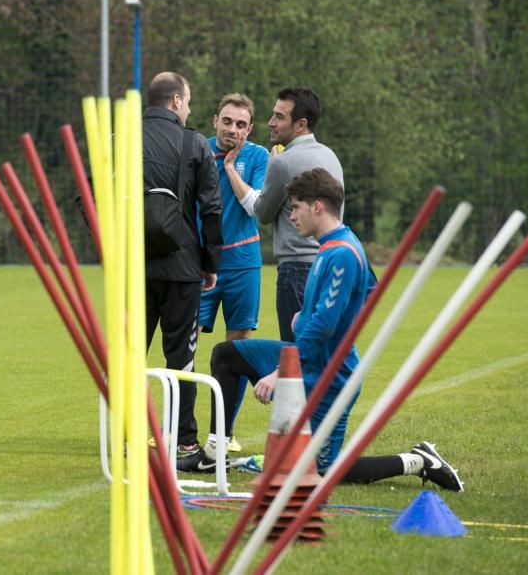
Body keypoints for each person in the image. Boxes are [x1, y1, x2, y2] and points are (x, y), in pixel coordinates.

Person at [180, 168, 463, 492]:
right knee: (228, 355)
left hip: (330, 376)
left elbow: (323, 327)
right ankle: (215, 454)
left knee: (323, 472)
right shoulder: (332, 245)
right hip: (307, 361)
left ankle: (417, 461)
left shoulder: (342, 252)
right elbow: (369, 289)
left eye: (296, 208)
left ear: (317, 207)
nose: (291, 217)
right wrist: (308, 313)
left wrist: (280, 374)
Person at [142, 72, 223, 468]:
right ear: (175, 101)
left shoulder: (118, 137)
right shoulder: (194, 143)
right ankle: (185, 444)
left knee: (128, 355)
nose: (189, 108)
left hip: (133, 267)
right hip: (182, 266)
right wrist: (211, 264)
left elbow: (86, 197)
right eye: (188, 101)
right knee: (181, 359)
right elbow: (211, 208)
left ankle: (125, 436)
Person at [198, 93, 269, 453]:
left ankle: (222, 434)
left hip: (244, 264)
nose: (233, 130)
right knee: (183, 346)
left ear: (250, 129)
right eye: (227, 121)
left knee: (236, 350)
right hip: (202, 264)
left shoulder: (257, 156)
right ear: (215, 121)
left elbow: (254, 205)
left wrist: (229, 167)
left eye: (241, 124)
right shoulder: (196, 150)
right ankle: (179, 431)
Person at [253, 88, 343, 343]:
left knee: (295, 356)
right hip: (331, 263)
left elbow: (263, 213)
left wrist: (271, 167)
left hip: (296, 271)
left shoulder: (283, 162)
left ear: (301, 124)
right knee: (322, 350)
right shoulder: (331, 156)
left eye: (279, 117)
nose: (271, 122)